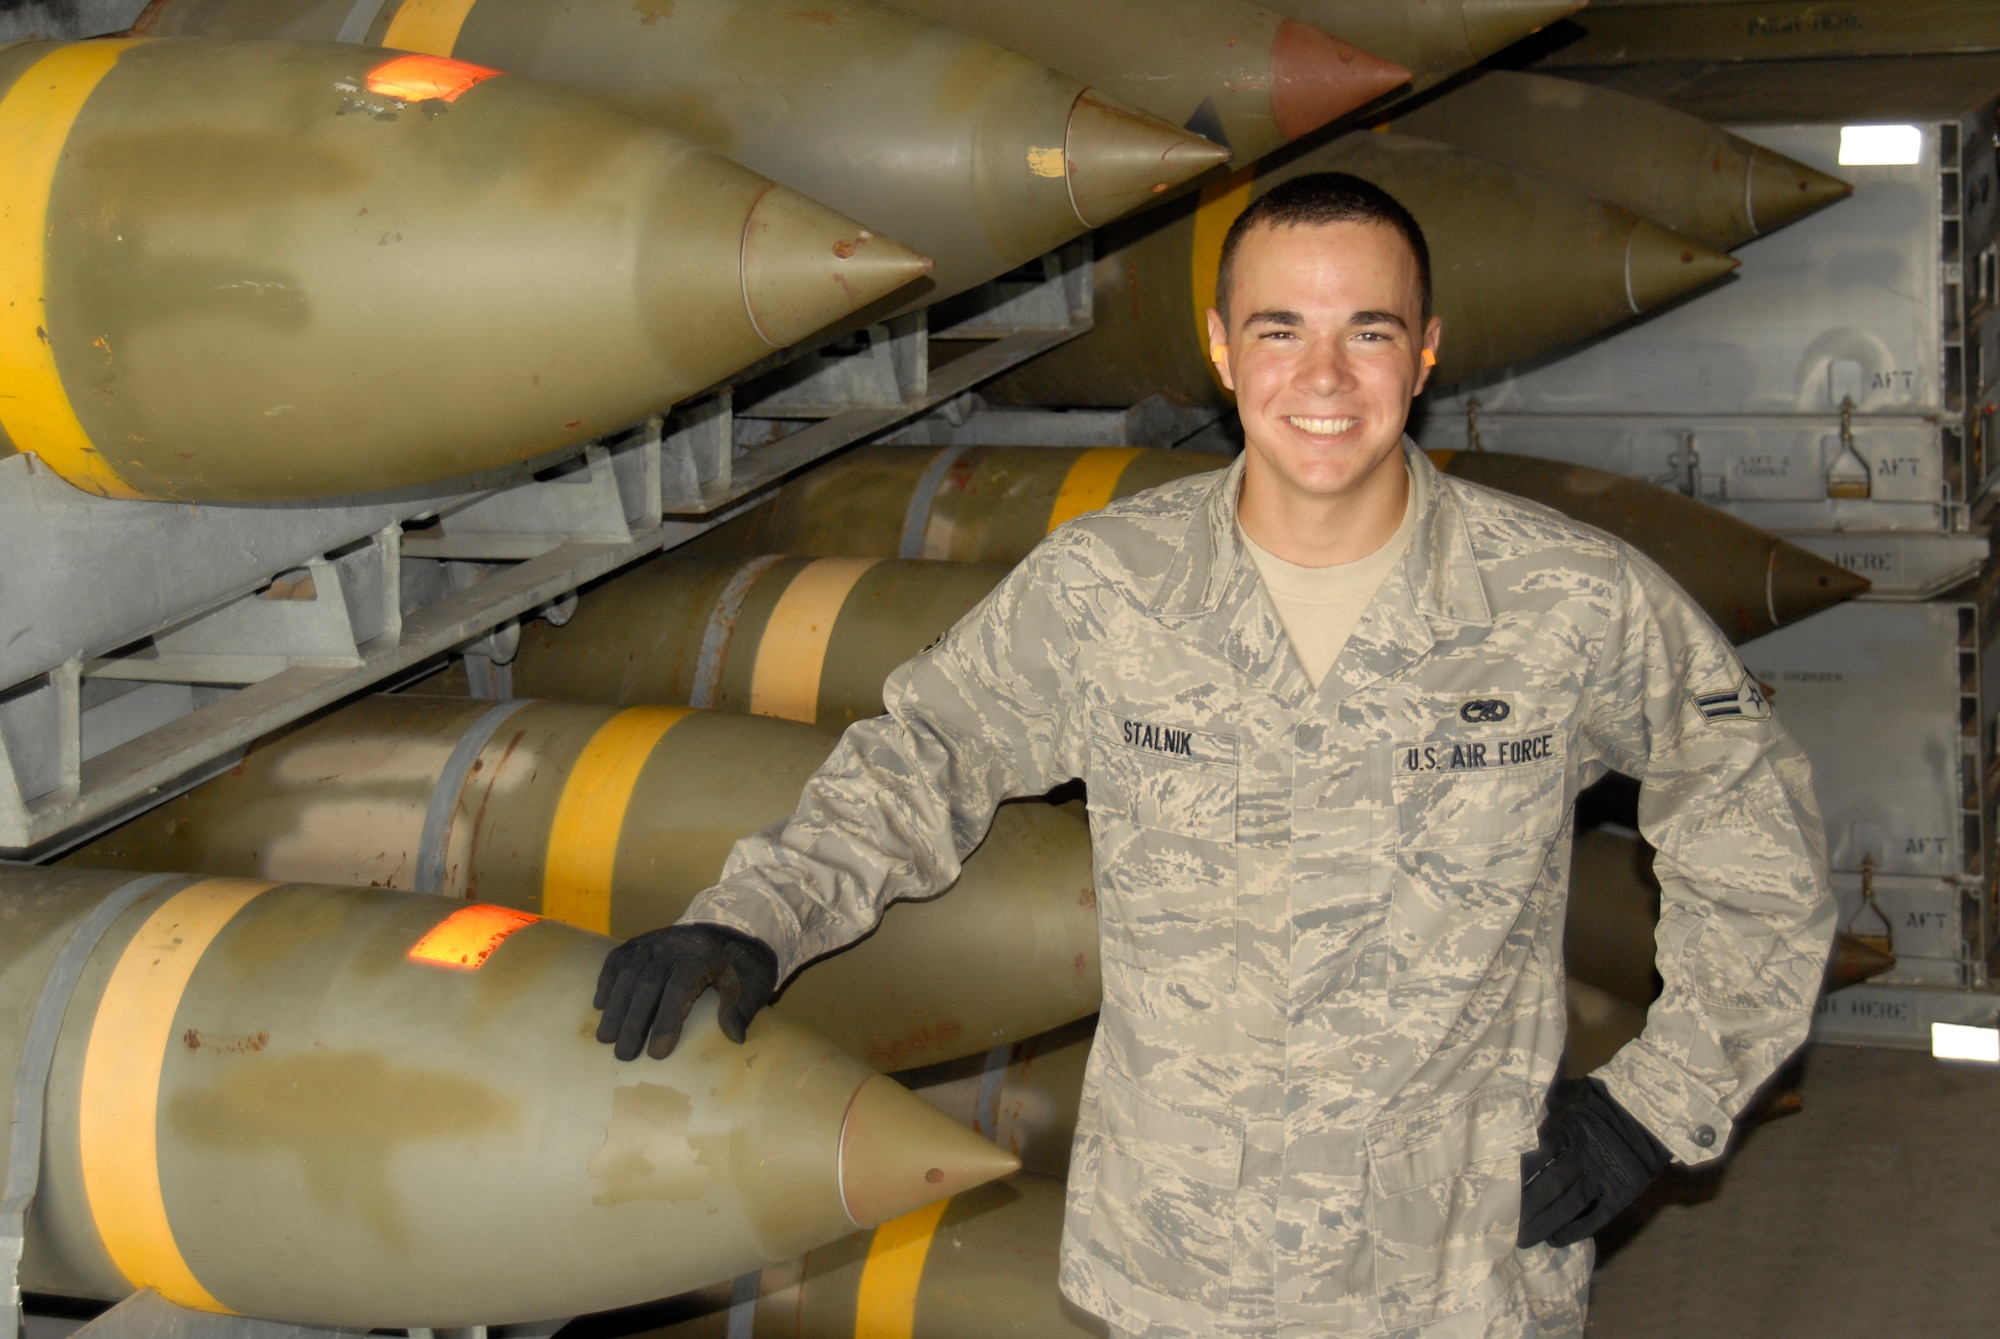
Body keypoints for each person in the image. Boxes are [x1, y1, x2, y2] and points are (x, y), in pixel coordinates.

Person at [591, 173, 1835, 1338]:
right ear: (1220, 347)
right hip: (1181, 1269)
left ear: (1426, 349)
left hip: (1454, 1276)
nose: (1324, 377)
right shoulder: (1109, 588)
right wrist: (755, 917)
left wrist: (1653, 1107)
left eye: (1368, 331)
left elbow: (1752, 827)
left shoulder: (1566, 599)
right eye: (1279, 330)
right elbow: (928, 755)